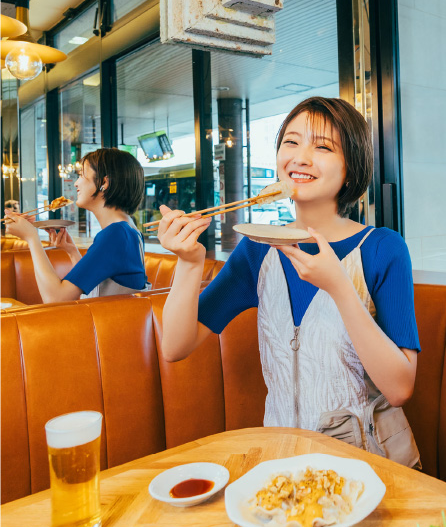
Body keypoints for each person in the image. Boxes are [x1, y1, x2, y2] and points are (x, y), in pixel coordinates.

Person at [158, 97, 421, 465]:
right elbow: (174, 346)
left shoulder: (382, 249)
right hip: (282, 460)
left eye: (323, 146)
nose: (300, 157)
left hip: (365, 462)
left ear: (352, 165)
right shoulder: (257, 249)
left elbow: (399, 388)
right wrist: (188, 263)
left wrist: (340, 288)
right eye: (291, 142)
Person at [4, 148, 147, 302]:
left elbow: (55, 300)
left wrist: (32, 238)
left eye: (81, 175)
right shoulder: (128, 230)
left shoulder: (116, 234)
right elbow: (102, 285)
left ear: (104, 182)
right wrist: (72, 251)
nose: (76, 183)